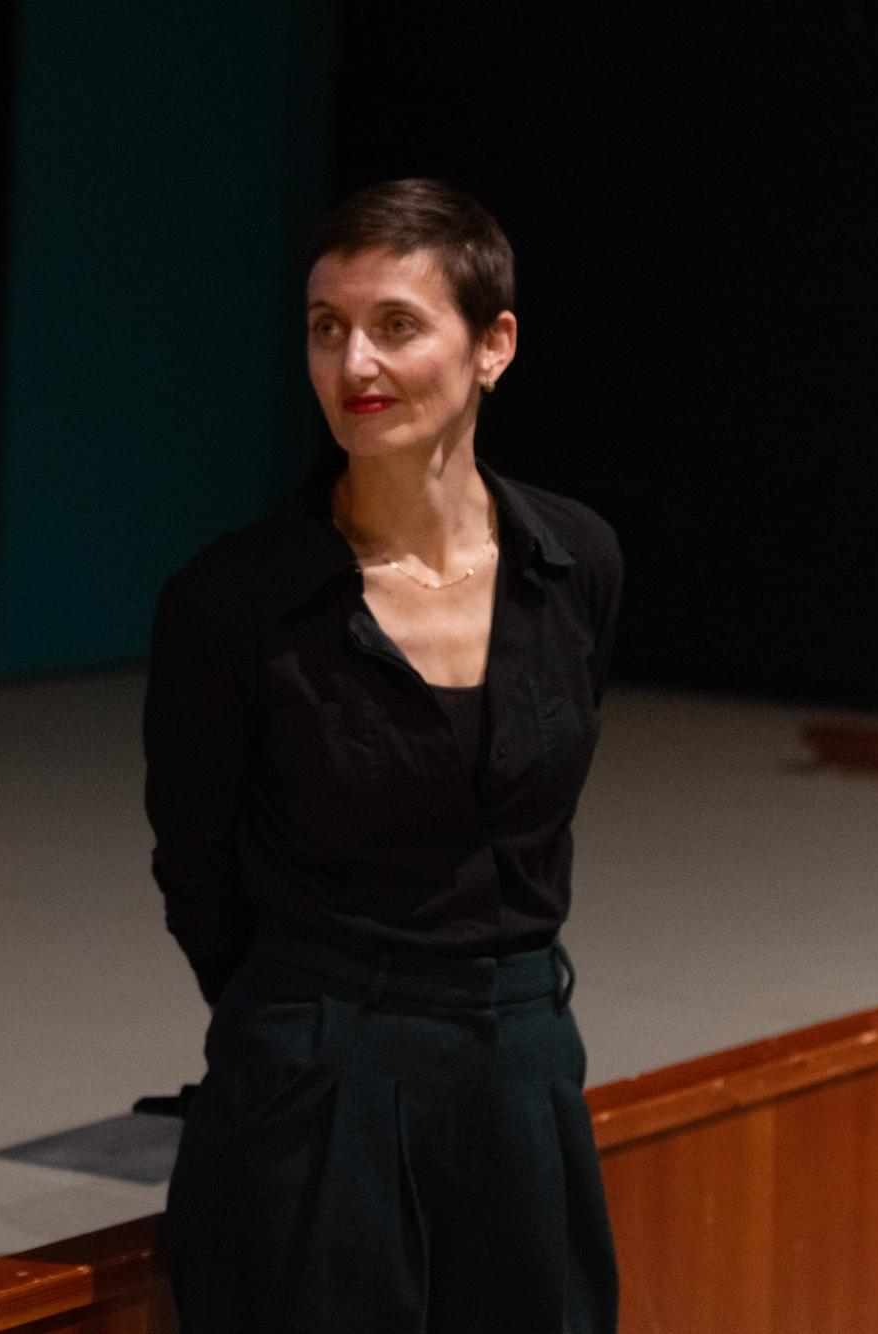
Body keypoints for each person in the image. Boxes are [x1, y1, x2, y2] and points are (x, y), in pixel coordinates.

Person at [146, 178, 621, 1332]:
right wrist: (304, 1023)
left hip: (519, 1058)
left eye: (394, 325)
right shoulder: (235, 595)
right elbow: (194, 860)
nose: (352, 362)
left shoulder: (576, 559)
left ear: (492, 343)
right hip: (320, 1064)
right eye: (326, 326)